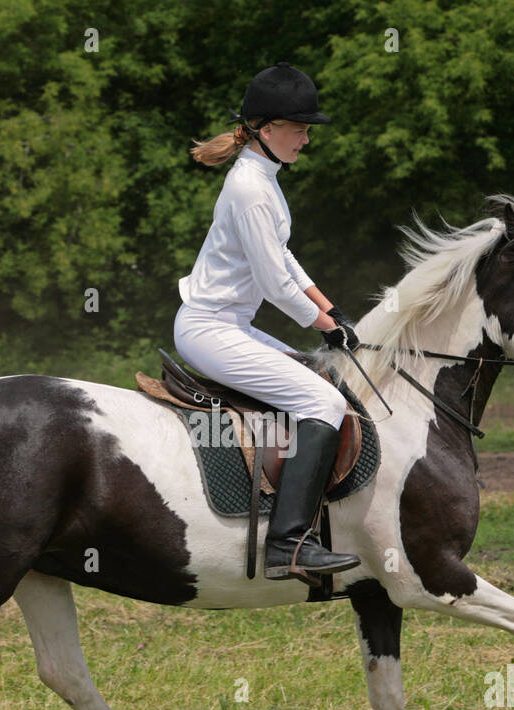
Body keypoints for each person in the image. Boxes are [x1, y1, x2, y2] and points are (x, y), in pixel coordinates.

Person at [177, 62, 361, 585]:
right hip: (210, 329)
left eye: (306, 130)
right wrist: (323, 325)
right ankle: (287, 546)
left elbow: (285, 261)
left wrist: (332, 309)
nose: (305, 139)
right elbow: (275, 284)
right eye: (299, 129)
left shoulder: (264, 180)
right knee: (323, 402)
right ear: (265, 129)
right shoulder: (251, 190)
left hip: (229, 326)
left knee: (320, 385)